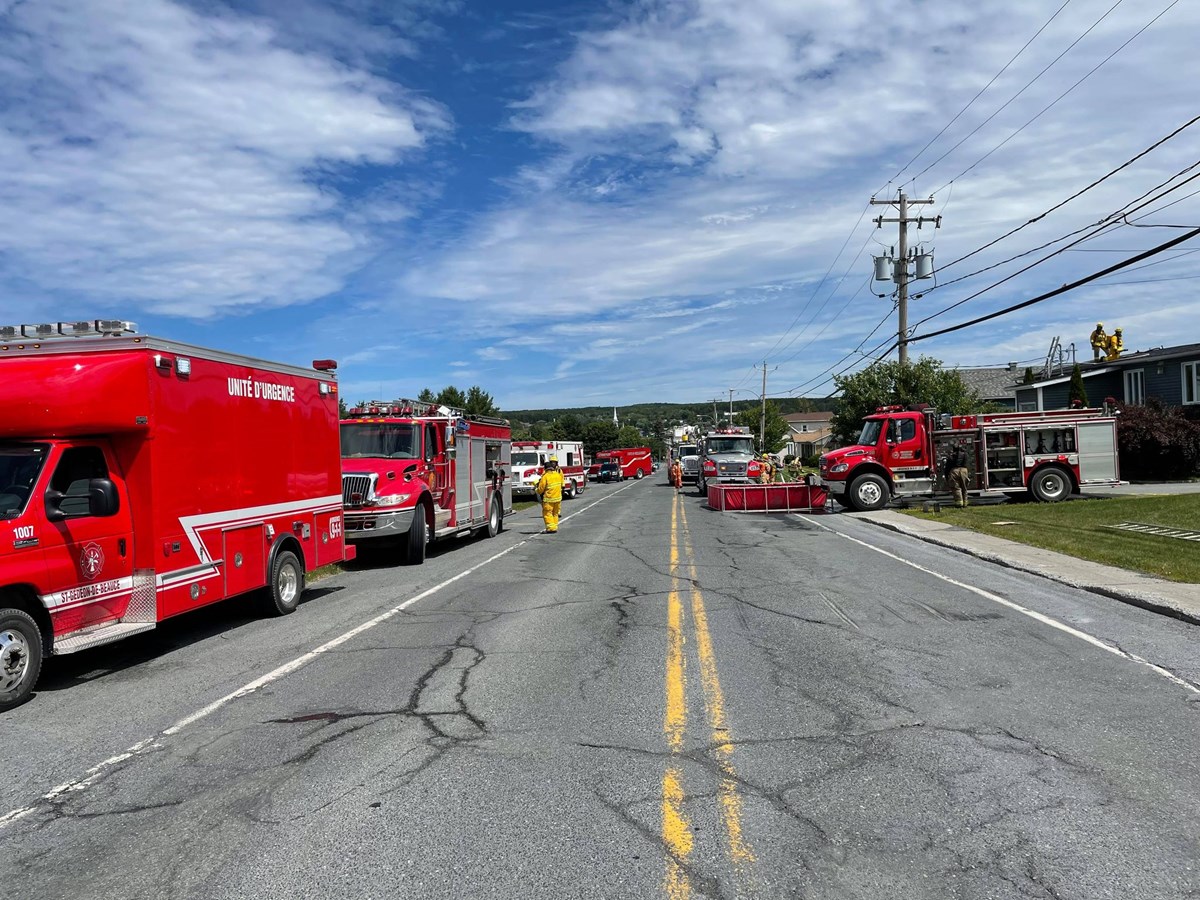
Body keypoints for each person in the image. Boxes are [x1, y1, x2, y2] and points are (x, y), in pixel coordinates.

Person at [535, 456, 565, 533]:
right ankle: (554, 526)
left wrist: (536, 490)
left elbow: (541, 489)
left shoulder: (545, 476)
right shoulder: (557, 474)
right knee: (555, 513)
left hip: (549, 499)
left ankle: (551, 528)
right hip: (558, 498)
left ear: (545, 468)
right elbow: (562, 481)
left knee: (547, 513)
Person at [944, 442, 970, 508]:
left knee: (956, 488)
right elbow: (967, 463)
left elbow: (947, 468)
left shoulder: (951, 456)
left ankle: (959, 504)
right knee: (964, 487)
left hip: (954, 471)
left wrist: (947, 477)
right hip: (964, 470)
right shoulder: (965, 454)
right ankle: (965, 503)